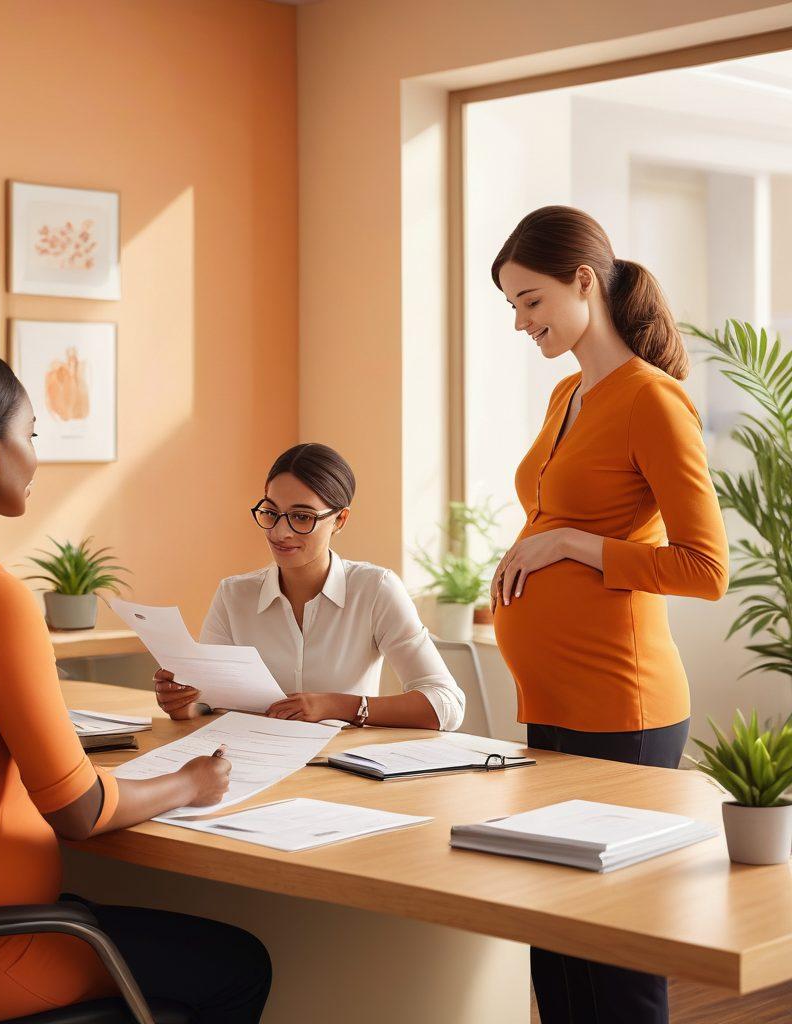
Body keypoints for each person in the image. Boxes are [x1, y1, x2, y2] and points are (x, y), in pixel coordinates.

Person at [0, 344, 271, 1024]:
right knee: (238, 966)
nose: (36, 457)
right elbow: (79, 811)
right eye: (31, 434)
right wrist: (192, 781)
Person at [490, 206, 728, 1024]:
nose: (520, 322)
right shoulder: (567, 393)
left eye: (531, 301)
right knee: (555, 943)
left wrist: (573, 548)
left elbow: (706, 569)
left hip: (619, 709)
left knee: (614, 959)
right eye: (512, 306)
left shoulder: (652, 401)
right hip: (554, 701)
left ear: (583, 281)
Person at [155, 443, 466, 731]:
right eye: (271, 513)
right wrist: (184, 705)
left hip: (338, 763)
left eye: (302, 517)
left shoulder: (375, 590)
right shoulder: (233, 595)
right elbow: (209, 702)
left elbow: (447, 704)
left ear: (340, 520)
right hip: (248, 758)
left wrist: (338, 706)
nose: (280, 532)